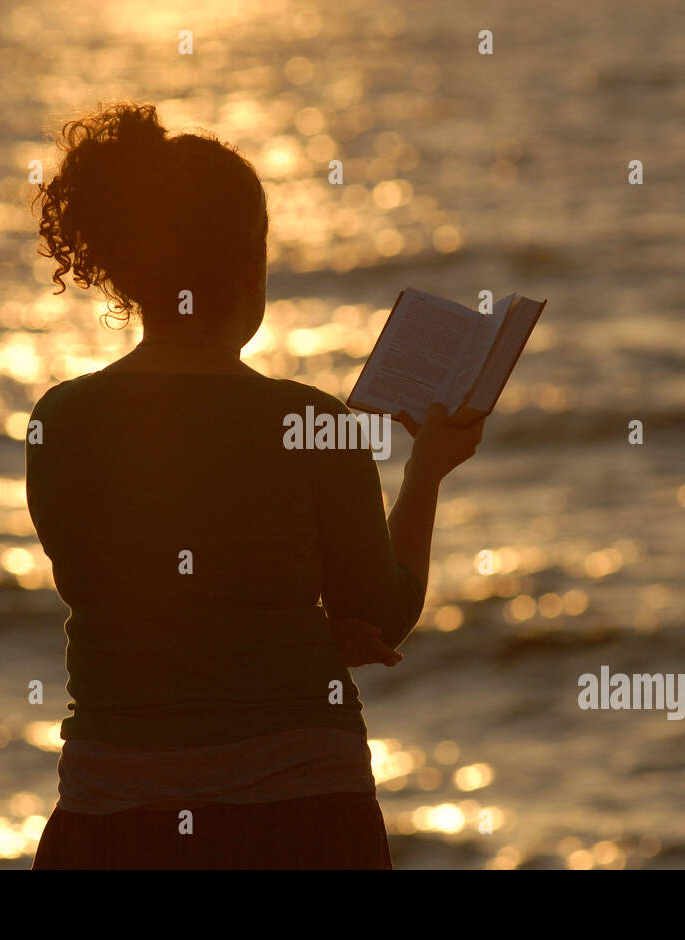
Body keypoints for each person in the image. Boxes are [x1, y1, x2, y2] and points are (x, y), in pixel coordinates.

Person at [26, 101, 484, 869]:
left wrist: (263, 619)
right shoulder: (312, 423)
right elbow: (384, 610)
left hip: (116, 807)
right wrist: (427, 470)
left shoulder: (61, 421)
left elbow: (122, 590)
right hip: (301, 810)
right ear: (248, 268)